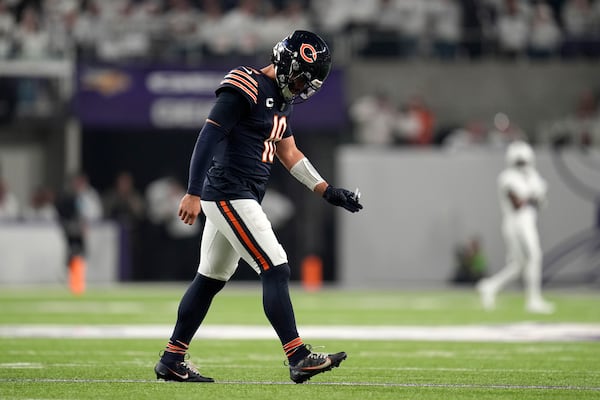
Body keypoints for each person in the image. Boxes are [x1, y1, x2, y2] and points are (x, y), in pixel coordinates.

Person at [153, 30, 363, 384]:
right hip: (229, 192)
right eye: (298, 78)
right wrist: (191, 192)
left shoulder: (283, 100)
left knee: (209, 280)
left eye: (306, 84)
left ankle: (172, 358)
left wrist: (327, 191)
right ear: (284, 63)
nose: (300, 88)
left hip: (239, 193)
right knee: (275, 267)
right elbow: (209, 135)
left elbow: (289, 152)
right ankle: (297, 356)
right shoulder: (245, 85)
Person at [477, 141, 554, 314]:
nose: (522, 164)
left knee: (519, 265)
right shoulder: (507, 177)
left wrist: (536, 197)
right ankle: (533, 299)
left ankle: (490, 286)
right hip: (515, 222)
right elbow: (517, 204)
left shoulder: (533, 176)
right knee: (534, 256)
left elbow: (541, 203)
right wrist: (534, 196)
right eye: (519, 161)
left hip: (528, 221)